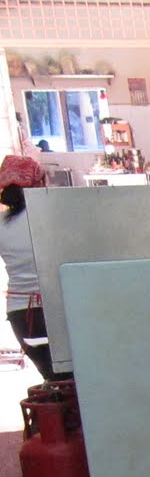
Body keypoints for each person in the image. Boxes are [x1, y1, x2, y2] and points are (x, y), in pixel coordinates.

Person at [0, 154, 57, 381]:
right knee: (73, 382)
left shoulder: (2, 225)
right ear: (37, 183)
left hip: (21, 315)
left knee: (52, 379)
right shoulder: (51, 216)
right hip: (56, 311)